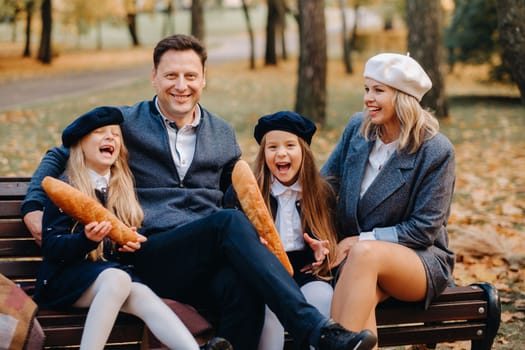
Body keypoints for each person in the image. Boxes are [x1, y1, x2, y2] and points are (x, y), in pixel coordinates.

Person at [21, 34, 377, 350]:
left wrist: (303, 236)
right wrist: (34, 206)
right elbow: (61, 153)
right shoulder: (127, 123)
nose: (181, 85)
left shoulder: (222, 134)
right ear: (154, 78)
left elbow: (244, 191)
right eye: (171, 75)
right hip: (152, 251)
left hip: (208, 257)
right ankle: (316, 331)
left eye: (190, 76)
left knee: (243, 285)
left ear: (203, 79)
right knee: (227, 223)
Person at [33, 106, 231, 350]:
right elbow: (53, 247)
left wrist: (133, 241)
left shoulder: (122, 188)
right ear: (80, 144)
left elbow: (125, 242)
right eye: (100, 133)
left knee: (142, 294)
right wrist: (85, 239)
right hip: (63, 281)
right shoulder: (67, 189)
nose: (110, 138)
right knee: (118, 279)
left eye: (116, 134)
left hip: (108, 278)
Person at [321, 53, 456, 346]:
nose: (368, 98)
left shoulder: (435, 150)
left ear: (404, 97)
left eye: (378, 90)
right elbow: (326, 186)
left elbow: (424, 230)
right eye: (366, 89)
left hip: (421, 260)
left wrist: (361, 240)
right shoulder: (358, 128)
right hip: (356, 262)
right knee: (363, 296)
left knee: (364, 254)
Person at [226, 111, 339, 350]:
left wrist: (322, 252)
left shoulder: (322, 193)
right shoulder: (245, 194)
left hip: (305, 271)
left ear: (304, 153)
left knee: (322, 297)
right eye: (272, 147)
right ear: (264, 154)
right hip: (266, 273)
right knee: (270, 308)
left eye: (290, 145)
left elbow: (331, 240)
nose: (281, 153)